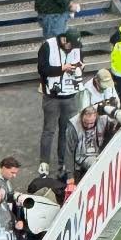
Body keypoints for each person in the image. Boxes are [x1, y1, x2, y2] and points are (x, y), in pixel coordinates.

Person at [38, 29, 84, 173]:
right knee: (49, 131)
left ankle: (63, 163)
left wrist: (80, 67)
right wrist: (62, 69)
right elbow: (42, 69)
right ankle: (44, 163)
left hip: (70, 96)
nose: (72, 50)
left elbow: (81, 61)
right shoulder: (48, 46)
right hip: (52, 97)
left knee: (66, 131)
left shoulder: (76, 46)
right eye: (71, 46)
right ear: (64, 40)